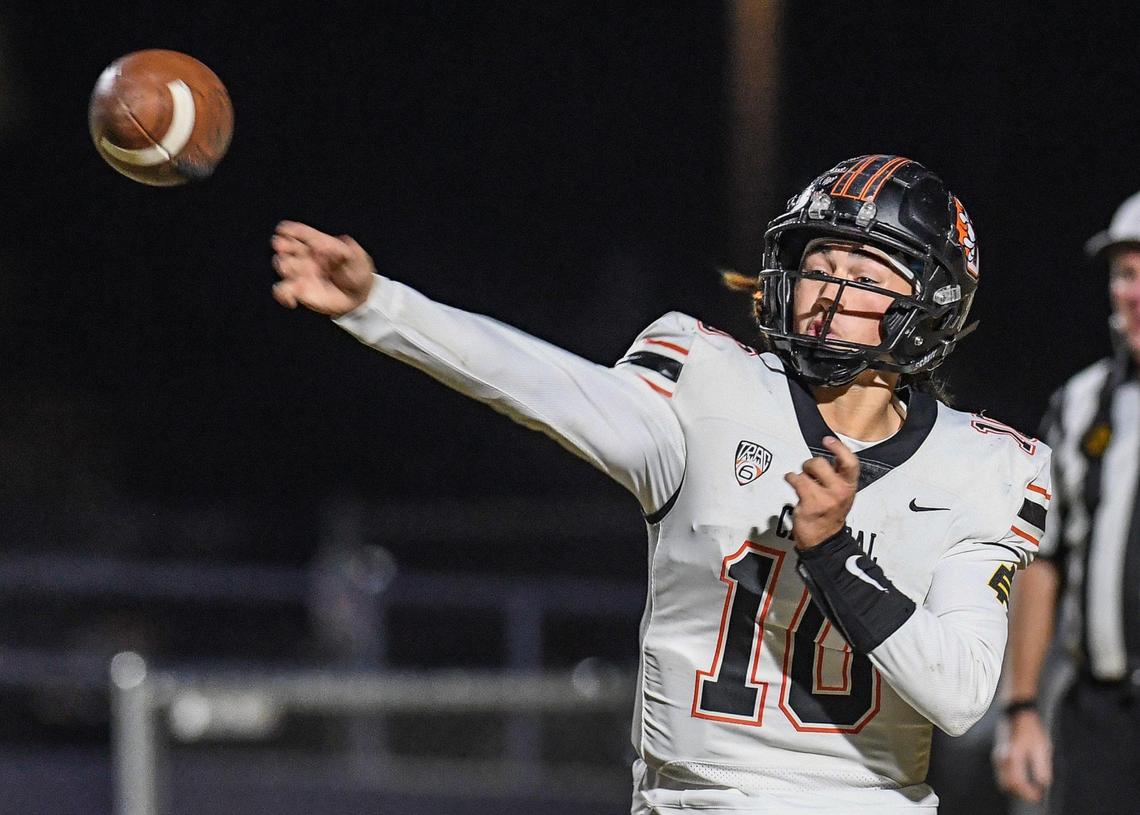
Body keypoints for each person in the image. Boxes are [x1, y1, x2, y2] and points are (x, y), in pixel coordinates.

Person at [271, 154, 1050, 814]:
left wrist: (835, 551)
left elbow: (959, 692)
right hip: (694, 799)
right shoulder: (708, 384)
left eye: (863, 272)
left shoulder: (987, 467)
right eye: (819, 265)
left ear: (930, 302)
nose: (828, 293)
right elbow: (546, 387)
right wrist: (383, 306)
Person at [992, 191, 1140, 813]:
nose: (1133, 292)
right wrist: (1021, 707)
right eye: (1125, 272)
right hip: (1100, 716)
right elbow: (1040, 559)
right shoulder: (1079, 404)